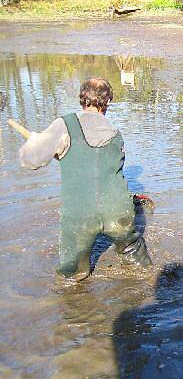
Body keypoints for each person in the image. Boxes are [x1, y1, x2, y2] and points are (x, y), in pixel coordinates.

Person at [19, 77, 151, 281]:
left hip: (80, 213)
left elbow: (30, 160)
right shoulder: (116, 134)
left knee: (72, 278)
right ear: (107, 102)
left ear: (83, 98)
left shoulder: (64, 125)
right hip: (118, 209)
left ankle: (78, 308)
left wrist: (35, 142)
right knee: (138, 263)